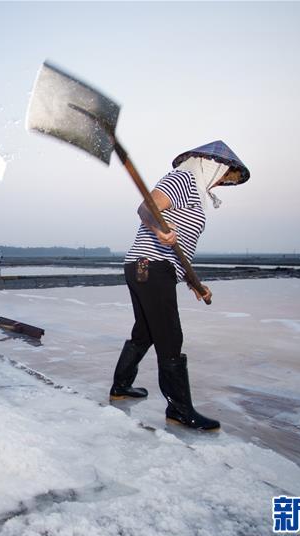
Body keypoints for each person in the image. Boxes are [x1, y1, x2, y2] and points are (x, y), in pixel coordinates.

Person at [109, 141, 250, 430]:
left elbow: (181, 247)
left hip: (146, 266)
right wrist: (160, 230)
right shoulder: (182, 179)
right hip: (150, 265)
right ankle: (179, 409)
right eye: (223, 175)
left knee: (146, 331)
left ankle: (121, 386)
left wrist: (195, 284)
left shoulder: (195, 193)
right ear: (211, 166)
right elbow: (146, 209)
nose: (222, 181)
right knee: (170, 337)